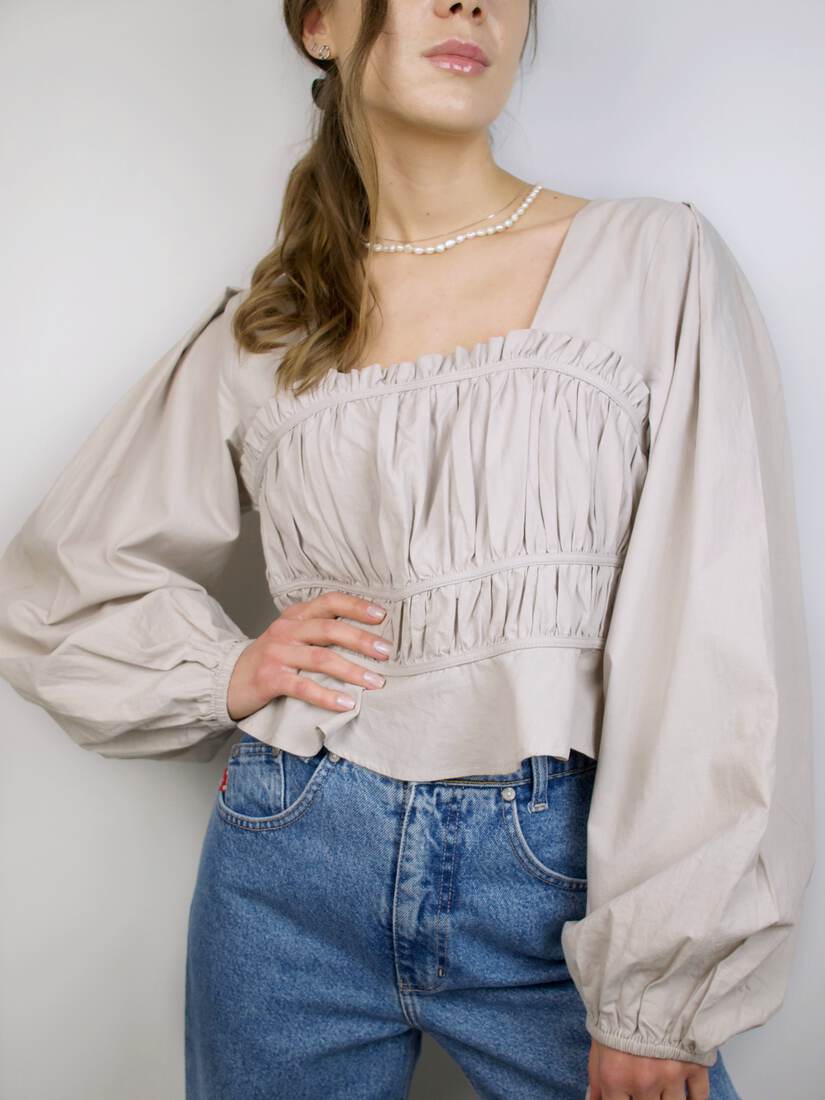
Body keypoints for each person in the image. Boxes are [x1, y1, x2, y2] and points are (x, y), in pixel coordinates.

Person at [0, 3, 814, 1099]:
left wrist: (656, 994)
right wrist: (224, 670)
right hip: (290, 857)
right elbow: (58, 583)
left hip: (565, 880)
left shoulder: (648, 261)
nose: (469, 3)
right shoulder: (273, 327)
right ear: (320, 25)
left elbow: (715, 631)